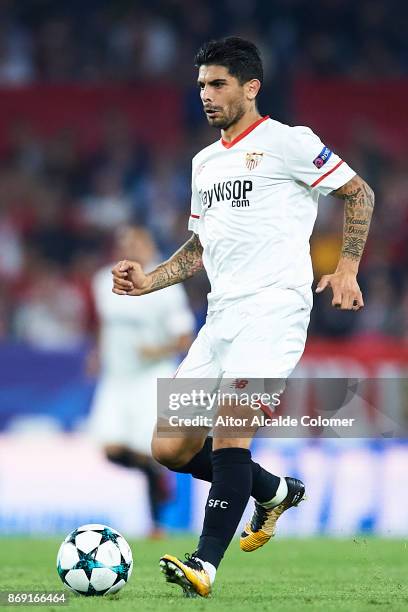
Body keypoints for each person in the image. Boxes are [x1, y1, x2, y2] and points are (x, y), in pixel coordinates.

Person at [111, 37, 374, 597]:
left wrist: (347, 267)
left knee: (233, 427)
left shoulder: (290, 143)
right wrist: (149, 280)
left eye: (218, 84)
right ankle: (274, 491)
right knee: (170, 448)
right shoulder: (204, 162)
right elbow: (201, 247)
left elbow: (360, 194)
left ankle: (204, 565)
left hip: (275, 309)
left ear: (250, 87)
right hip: (221, 318)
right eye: (202, 84)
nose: (206, 95)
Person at [89, 225, 194, 537]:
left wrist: (155, 349)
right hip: (116, 378)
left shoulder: (166, 287)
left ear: (149, 246)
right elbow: (106, 324)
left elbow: (184, 338)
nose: (130, 248)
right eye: (124, 243)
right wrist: (98, 352)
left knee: (150, 450)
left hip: (152, 376)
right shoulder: (101, 281)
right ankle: (158, 478)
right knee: (110, 449)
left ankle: (156, 524)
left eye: (136, 242)